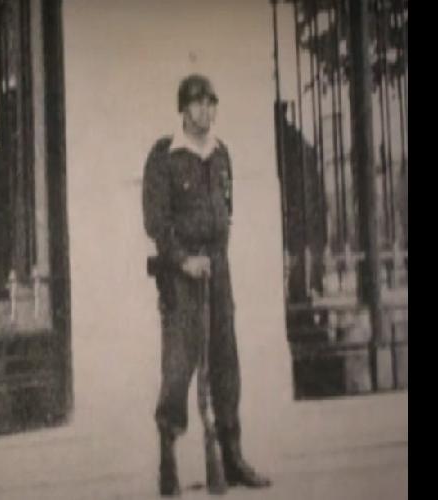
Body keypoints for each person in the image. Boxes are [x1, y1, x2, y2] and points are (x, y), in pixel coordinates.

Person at [142, 74, 273, 496]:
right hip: (180, 277)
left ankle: (230, 456)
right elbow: (156, 223)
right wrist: (183, 260)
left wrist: (212, 259)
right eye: (197, 104)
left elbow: (226, 209)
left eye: (211, 104)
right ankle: (168, 457)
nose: (205, 111)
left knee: (225, 363)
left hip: (217, 271)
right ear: (182, 110)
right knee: (179, 368)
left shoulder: (221, 155)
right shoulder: (164, 157)